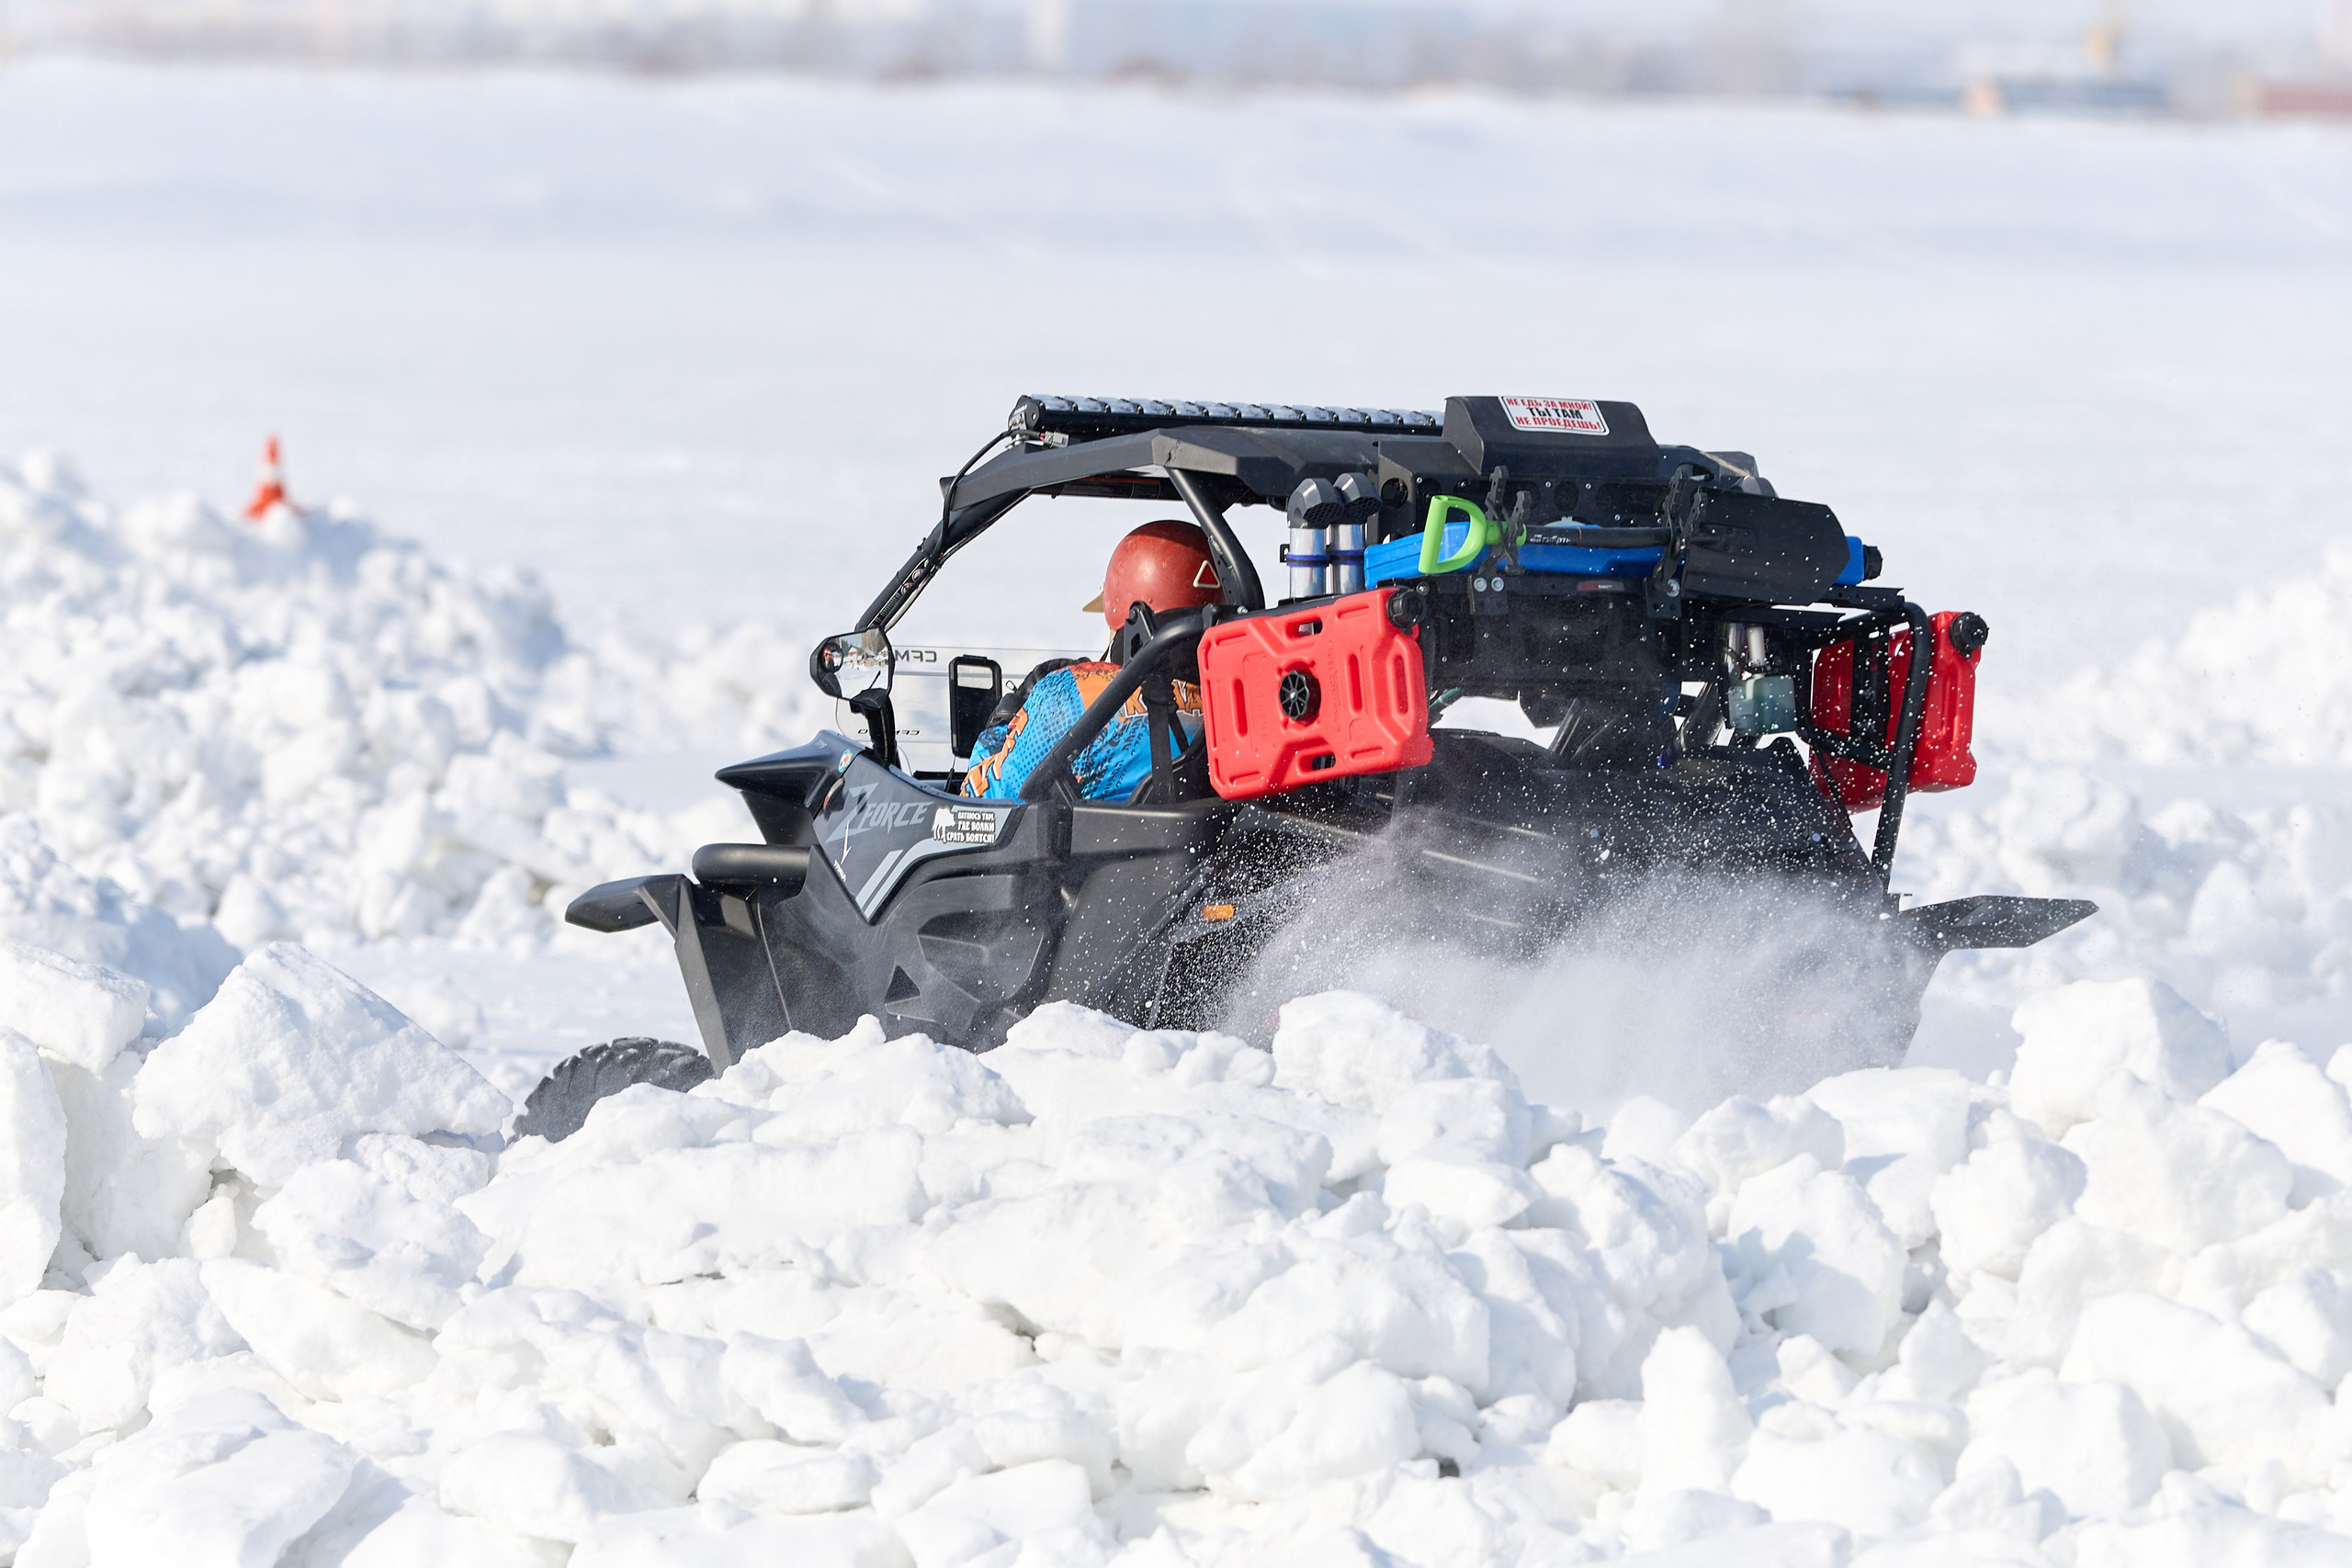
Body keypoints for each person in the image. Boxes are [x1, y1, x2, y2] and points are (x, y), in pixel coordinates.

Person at [961, 519, 1222, 800]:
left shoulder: (1071, 695)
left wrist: (1004, 720)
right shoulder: (1249, 699)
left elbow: (980, 798)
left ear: (1131, 617)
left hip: (1108, 842)